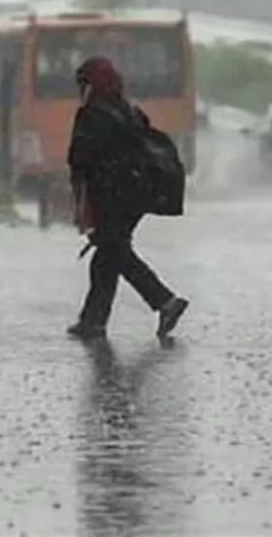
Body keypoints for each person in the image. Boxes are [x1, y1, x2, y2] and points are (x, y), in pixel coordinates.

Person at [65, 56, 189, 340]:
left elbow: (80, 157)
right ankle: (92, 322)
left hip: (111, 196)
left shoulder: (92, 113)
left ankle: (165, 301)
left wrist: (78, 193)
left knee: (115, 251)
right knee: (107, 255)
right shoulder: (127, 110)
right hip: (137, 195)